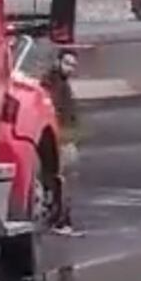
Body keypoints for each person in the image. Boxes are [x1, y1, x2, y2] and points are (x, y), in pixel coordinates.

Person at [40, 49, 79, 233]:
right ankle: (61, 220)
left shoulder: (62, 83)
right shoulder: (51, 83)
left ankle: (61, 218)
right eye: (67, 63)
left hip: (66, 136)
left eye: (73, 65)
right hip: (59, 137)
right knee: (61, 179)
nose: (70, 68)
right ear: (57, 61)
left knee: (63, 179)